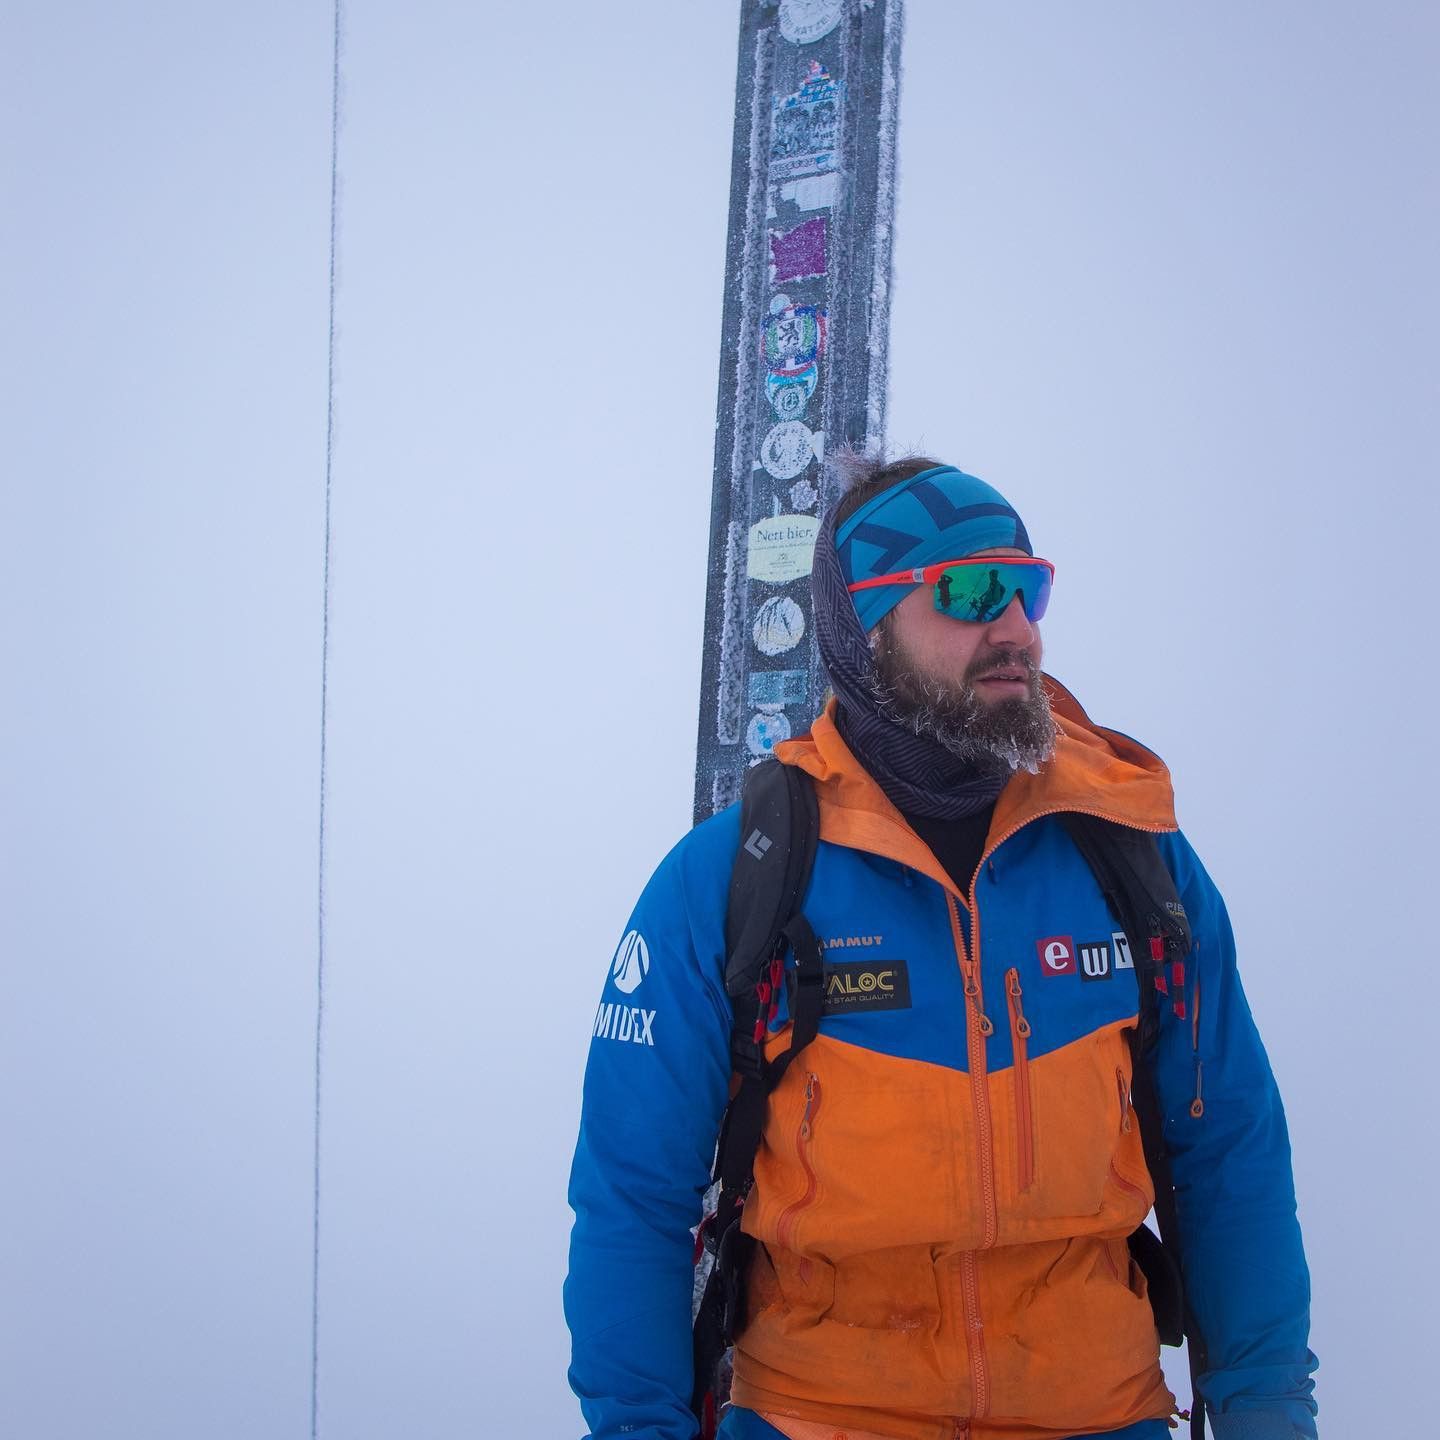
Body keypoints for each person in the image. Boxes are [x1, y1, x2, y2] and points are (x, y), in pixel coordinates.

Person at [565, 456, 1318, 1440]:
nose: (1015, 628)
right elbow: (633, 1195)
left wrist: (1268, 1409)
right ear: (863, 626)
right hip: (818, 1413)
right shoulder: (736, 877)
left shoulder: (1131, 853)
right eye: (968, 591)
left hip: (1095, 1410)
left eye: (1027, 588)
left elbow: (1229, 1151)